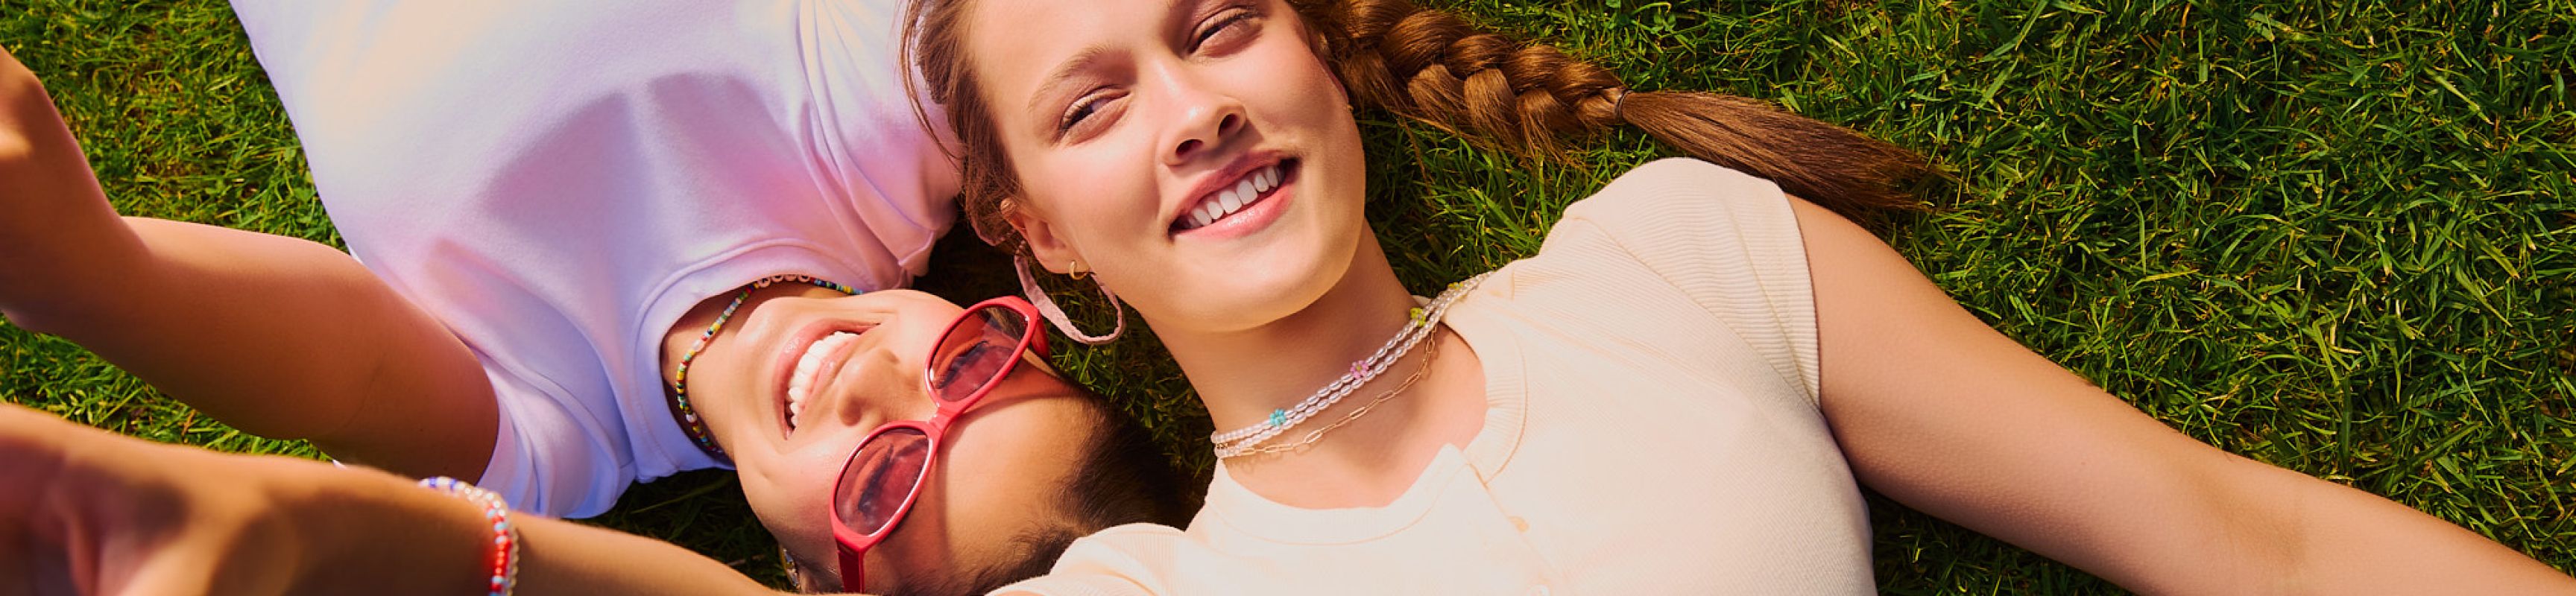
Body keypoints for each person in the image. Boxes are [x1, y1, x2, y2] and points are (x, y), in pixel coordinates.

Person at [893, 0, 2576, 593]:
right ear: (1038, 234)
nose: (1192, 111)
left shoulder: (1676, 262)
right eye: (1091, 105)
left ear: (1315, 54)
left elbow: (2246, 542)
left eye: (1216, 28)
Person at [0, 1, 1196, 592]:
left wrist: (83, 270)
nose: (881, 383)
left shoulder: (543, 435)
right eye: (970, 373)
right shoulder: (893, 128)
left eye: (887, 482)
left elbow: (142, 293)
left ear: (816, 577)